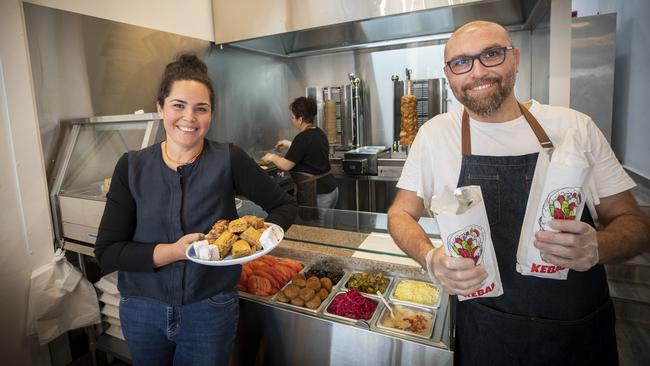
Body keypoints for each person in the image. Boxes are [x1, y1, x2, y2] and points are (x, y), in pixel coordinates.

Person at [387, 21, 650, 365]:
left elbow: (636, 225)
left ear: (515, 58)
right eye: (461, 62)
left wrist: (598, 247)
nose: (478, 71)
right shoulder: (436, 135)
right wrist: (430, 257)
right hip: (485, 330)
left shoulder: (574, 127)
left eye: (492, 54)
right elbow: (400, 213)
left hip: (576, 332)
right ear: (449, 75)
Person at [94, 54, 297, 365]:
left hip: (210, 308)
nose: (189, 117)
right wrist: (174, 251)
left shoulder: (228, 159)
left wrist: (263, 240)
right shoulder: (131, 167)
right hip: (142, 308)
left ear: (211, 114)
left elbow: (283, 205)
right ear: (160, 107)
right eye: (178, 105)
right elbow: (107, 252)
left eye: (201, 108)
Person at [261, 96, 338, 209]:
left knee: (314, 227)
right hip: (331, 190)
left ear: (300, 119)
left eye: (293, 118)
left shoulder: (302, 138)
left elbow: (286, 165)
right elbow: (309, 148)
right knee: (326, 227)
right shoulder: (318, 132)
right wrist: (289, 144)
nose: (292, 121)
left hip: (318, 194)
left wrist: (272, 157)